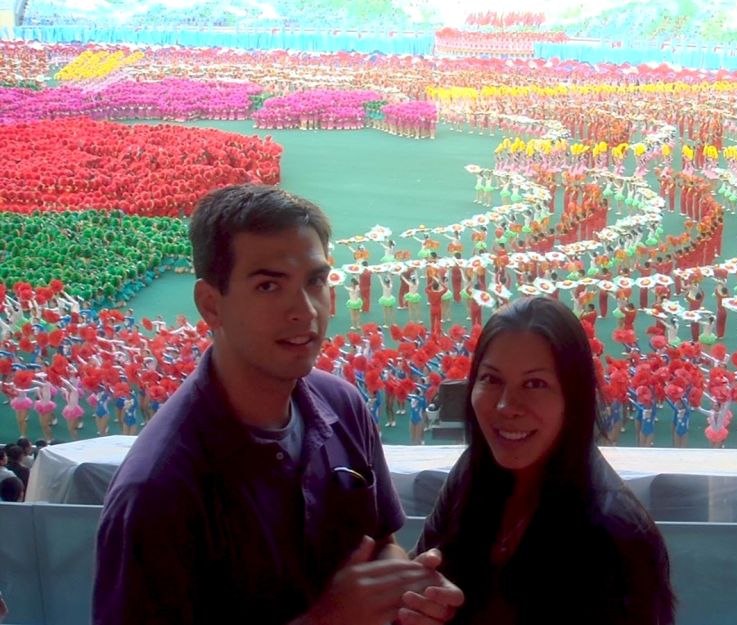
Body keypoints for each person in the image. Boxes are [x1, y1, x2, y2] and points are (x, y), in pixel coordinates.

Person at [93, 185, 462, 625]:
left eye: (316, 281)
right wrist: (326, 620)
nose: (304, 310)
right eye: (269, 285)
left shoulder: (342, 405)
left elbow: (380, 542)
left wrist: (407, 590)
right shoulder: (158, 491)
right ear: (211, 304)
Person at [414, 297, 675, 624]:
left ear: (573, 396)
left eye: (535, 384)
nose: (506, 406)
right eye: (491, 379)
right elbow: (421, 572)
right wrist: (419, 600)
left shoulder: (619, 534)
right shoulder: (472, 472)